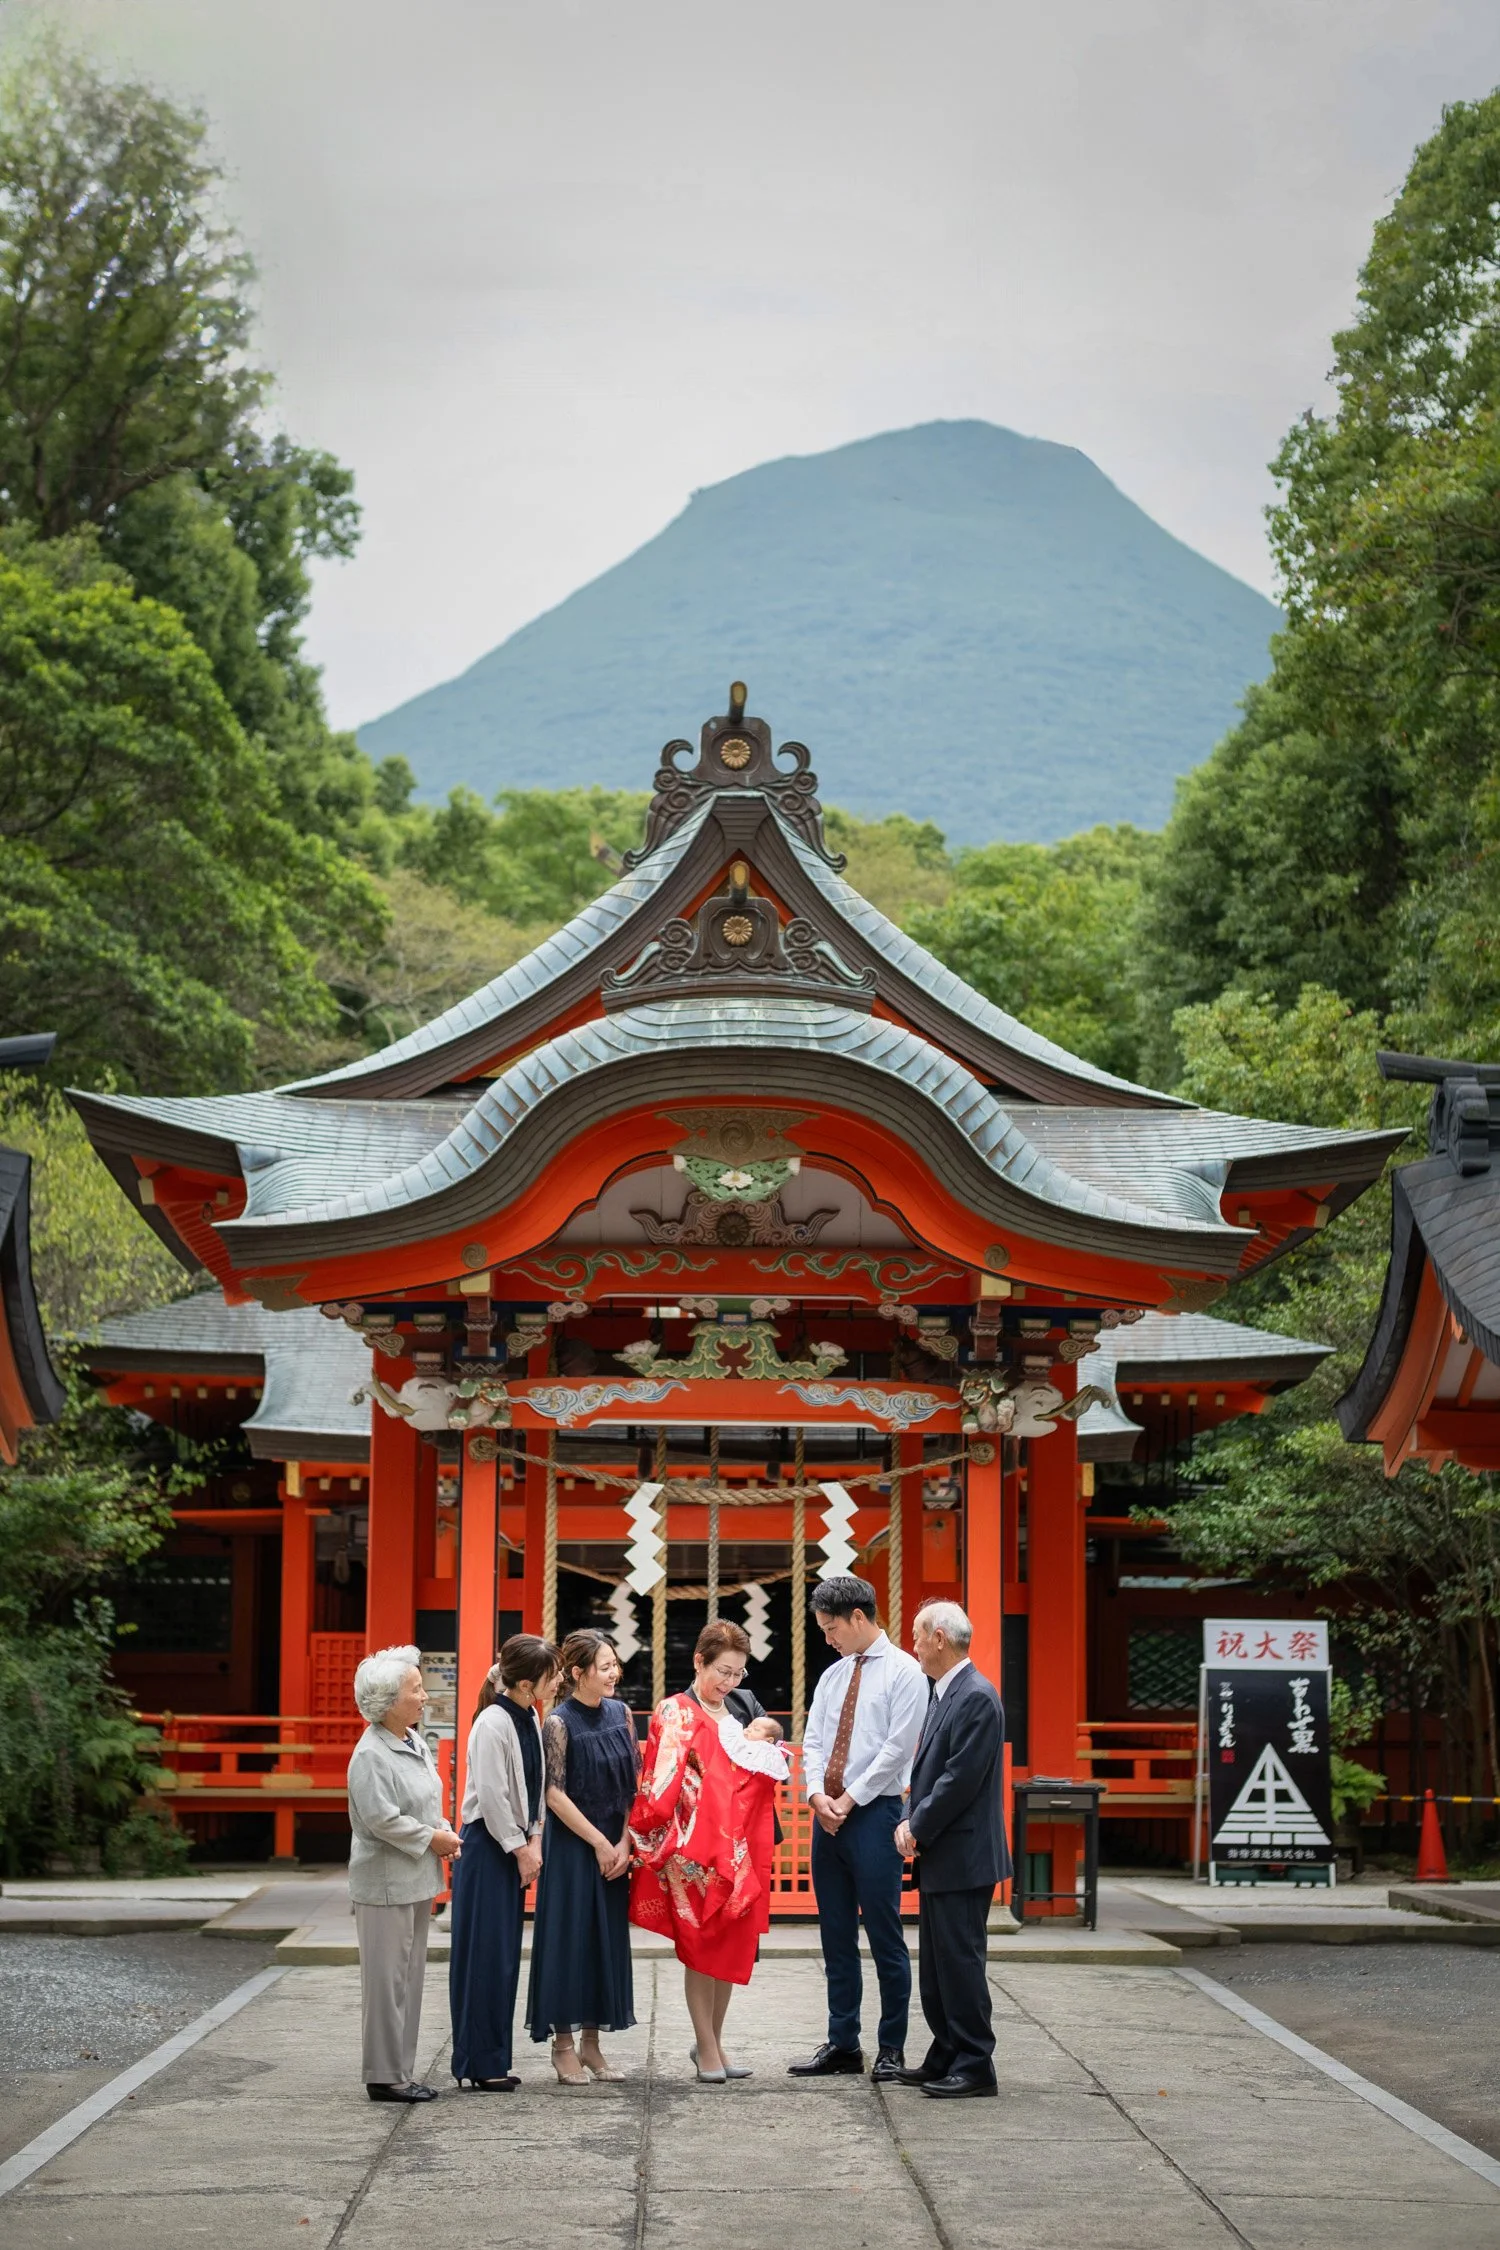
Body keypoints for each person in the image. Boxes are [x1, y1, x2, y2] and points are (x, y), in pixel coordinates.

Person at [629, 1619, 789, 2082]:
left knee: (731, 1947)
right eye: (723, 1671)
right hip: (691, 1853)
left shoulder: (741, 1709)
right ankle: (705, 2045)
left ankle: (714, 2043)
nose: (730, 1682)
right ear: (699, 1662)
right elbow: (660, 1782)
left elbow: (766, 1757)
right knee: (701, 1948)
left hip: (741, 1849)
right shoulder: (675, 1711)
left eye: (738, 1673)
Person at [787, 1574, 927, 2084]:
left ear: (859, 1617)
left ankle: (892, 2046)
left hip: (875, 1814)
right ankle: (843, 2041)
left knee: (885, 1934)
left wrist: (848, 1799)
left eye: (831, 1629)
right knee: (835, 1933)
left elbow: (897, 1750)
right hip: (828, 1816)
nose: (828, 1639)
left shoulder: (906, 1673)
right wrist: (815, 1796)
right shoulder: (833, 1675)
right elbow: (814, 1740)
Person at [893, 1600, 1009, 2099]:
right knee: (939, 1966)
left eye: (917, 1636)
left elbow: (959, 1779)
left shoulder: (976, 1696)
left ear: (939, 1638)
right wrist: (909, 1817)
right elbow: (926, 1773)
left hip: (964, 1854)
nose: (914, 1646)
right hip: (947, 1853)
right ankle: (946, 2051)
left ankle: (975, 2063)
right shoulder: (947, 1692)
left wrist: (916, 1826)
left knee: (960, 1962)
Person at [346, 1644, 462, 2104]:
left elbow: (424, 1801)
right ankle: (384, 2075)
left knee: (409, 1979)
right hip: (385, 1882)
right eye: (415, 1689)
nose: (424, 1696)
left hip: (414, 1876)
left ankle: (400, 2070)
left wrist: (442, 1829)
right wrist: (433, 1838)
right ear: (389, 1701)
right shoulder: (370, 1754)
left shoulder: (411, 1740)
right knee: (386, 1982)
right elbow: (380, 1819)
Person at [525, 1627, 639, 2082]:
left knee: (604, 1941)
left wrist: (624, 1841)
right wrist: (599, 1842)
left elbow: (632, 1784)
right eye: (605, 1666)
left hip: (615, 1844)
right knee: (569, 1941)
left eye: (615, 1665)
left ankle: (592, 2044)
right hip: (575, 1845)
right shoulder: (558, 1722)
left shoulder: (622, 1713)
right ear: (578, 1673)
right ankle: (563, 2045)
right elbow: (553, 1793)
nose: (614, 1673)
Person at [448, 1632, 558, 2091]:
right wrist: (520, 1849)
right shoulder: (492, 1722)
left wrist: (535, 1838)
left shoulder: (529, 1715)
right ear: (528, 1683)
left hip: (515, 1843)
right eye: (552, 1676)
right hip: (488, 1846)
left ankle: (492, 2058)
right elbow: (492, 1796)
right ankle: (478, 2062)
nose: (558, 1682)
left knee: (504, 1957)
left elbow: (536, 1785)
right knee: (484, 1956)